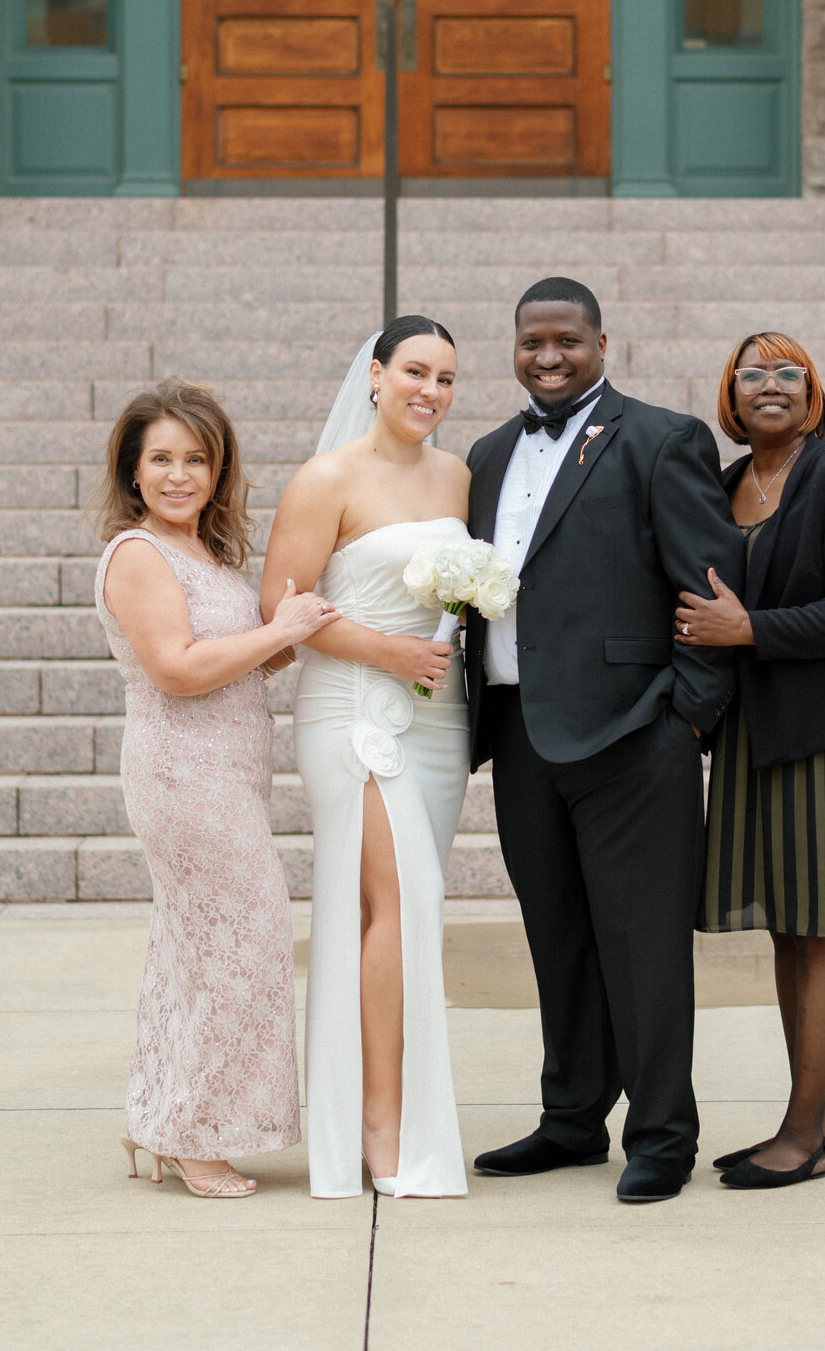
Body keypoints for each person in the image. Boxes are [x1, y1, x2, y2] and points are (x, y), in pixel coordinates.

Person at [465, 277, 744, 1204]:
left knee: (645, 943)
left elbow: (711, 587)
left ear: (601, 342)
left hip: (636, 737)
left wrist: (686, 720)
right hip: (520, 732)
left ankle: (663, 1132)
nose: (548, 357)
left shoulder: (662, 439)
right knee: (559, 938)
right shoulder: (490, 453)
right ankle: (573, 1118)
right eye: (531, 342)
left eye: (566, 342)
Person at [677, 332, 825, 1189]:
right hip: (758, 733)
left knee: (822, 929)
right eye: (753, 374)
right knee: (790, 925)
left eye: (789, 373)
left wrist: (750, 630)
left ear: (811, 393)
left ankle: (802, 1131)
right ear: (730, 398)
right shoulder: (728, 484)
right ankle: (816, 1123)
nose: (770, 384)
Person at [93, 377, 334, 1199]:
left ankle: (158, 1119)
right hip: (180, 771)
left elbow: (248, 657)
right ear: (132, 471)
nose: (178, 474)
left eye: (196, 458)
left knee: (194, 948)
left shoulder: (207, 554)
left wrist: (302, 631)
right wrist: (279, 630)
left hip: (224, 771)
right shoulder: (137, 554)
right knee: (246, 939)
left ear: (218, 468)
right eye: (160, 458)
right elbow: (177, 668)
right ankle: (198, 1135)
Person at [261, 318, 471, 1200]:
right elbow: (283, 617)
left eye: (448, 378)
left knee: (385, 912)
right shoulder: (327, 478)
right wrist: (389, 654)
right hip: (356, 712)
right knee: (405, 900)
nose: (430, 390)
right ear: (376, 375)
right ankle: (383, 1122)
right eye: (415, 371)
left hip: (438, 721)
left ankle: (363, 1108)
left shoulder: (457, 474)